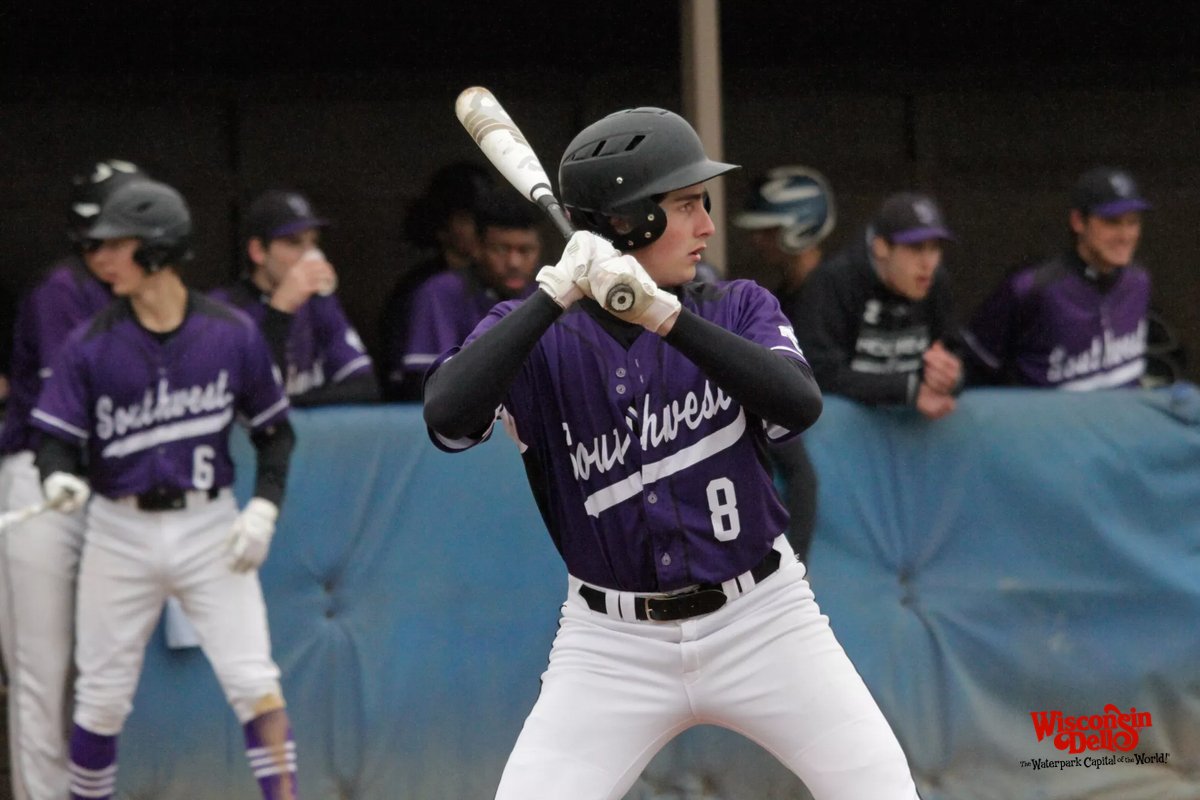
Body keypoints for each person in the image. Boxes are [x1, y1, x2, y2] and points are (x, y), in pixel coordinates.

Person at [423, 107, 920, 800]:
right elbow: (446, 419)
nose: (707, 226)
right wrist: (553, 294)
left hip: (761, 620)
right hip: (610, 644)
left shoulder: (735, 306)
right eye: (686, 205)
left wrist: (662, 315)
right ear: (628, 219)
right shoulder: (539, 332)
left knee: (883, 790)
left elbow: (798, 404)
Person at [29, 178, 299, 800]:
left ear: (155, 250)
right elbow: (55, 439)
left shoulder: (230, 334)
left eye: (115, 245)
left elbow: (275, 436)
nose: (100, 259)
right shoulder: (90, 343)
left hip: (211, 526)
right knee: (99, 701)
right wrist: (58, 475)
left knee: (254, 680)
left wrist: (263, 509)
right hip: (117, 530)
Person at [0, 158, 147, 800]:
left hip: (107, 491)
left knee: (99, 675)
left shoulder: (142, 292)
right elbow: (81, 406)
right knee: (44, 669)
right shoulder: (60, 291)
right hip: (42, 483)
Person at [960, 166, 1152, 390]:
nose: (1125, 235)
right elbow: (973, 367)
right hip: (1050, 424)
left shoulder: (1139, 282)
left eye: (1133, 222)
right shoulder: (1030, 288)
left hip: (1121, 423)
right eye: (1112, 222)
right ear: (1078, 221)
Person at [732, 165, 836, 562]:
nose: (758, 240)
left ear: (800, 226)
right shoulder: (784, 293)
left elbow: (821, 370)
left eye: (769, 229)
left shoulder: (826, 290)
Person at [792, 191, 962, 420]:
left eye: (935, 248)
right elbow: (816, 371)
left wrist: (950, 375)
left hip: (912, 434)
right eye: (916, 248)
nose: (928, 263)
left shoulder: (935, 281)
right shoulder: (834, 281)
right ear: (881, 247)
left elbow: (955, 351)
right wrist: (907, 390)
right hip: (845, 434)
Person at [211, 189, 378, 406]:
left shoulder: (319, 302)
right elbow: (248, 397)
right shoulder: (221, 309)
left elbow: (365, 386)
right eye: (294, 242)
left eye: (313, 242)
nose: (309, 254)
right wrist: (280, 310)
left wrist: (290, 403)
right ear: (258, 251)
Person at [395, 186, 542, 397]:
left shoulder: (550, 295)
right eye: (501, 249)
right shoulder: (441, 292)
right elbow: (427, 385)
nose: (514, 262)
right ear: (478, 248)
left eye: (525, 250)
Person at [379, 160, 494, 400]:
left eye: (486, 219)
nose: (481, 229)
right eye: (467, 219)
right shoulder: (421, 289)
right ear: (442, 225)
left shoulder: (498, 284)